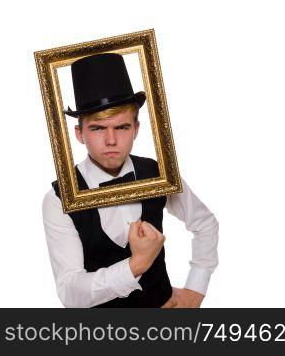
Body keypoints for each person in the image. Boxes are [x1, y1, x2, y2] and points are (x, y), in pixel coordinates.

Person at [42, 53, 219, 308]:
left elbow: (205, 223)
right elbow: (71, 293)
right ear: (80, 134)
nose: (111, 140)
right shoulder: (58, 199)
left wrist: (195, 289)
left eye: (122, 127)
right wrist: (137, 264)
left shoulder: (157, 172)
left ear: (136, 129)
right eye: (98, 128)